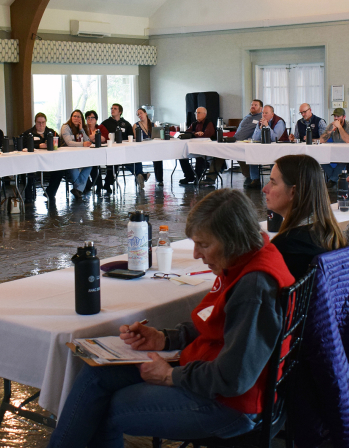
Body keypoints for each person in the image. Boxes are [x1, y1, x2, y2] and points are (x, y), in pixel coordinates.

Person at [47, 188, 295, 448]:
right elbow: (218, 322)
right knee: (95, 375)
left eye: (204, 244)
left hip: (232, 406)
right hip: (215, 374)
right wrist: (164, 339)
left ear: (232, 239)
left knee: (103, 408)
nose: (197, 255)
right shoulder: (246, 254)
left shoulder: (254, 287)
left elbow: (234, 379)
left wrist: (170, 376)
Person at [264, 154, 345, 279]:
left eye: (273, 183)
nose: (265, 189)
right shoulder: (330, 234)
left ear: (293, 192)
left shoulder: (286, 247)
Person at [20, 112, 62, 201]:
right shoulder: (28, 133)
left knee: (60, 170)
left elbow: (59, 143)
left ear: (46, 122)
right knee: (26, 171)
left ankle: (50, 193)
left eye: (43, 122)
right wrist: (39, 145)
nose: (41, 124)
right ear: (35, 123)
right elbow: (23, 144)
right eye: (39, 122)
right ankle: (29, 196)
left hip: (50, 161)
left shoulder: (52, 132)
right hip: (32, 162)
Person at [247, 106, 286, 188]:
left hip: (279, 149)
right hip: (264, 148)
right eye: (263, 113)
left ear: (272, 114)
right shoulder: (260, 122)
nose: (264, 115)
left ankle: (274, 180)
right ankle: (255, 180)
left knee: (273, 158)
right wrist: (260, 128)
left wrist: (267, 126)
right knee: (252, 153)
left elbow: (275, 138)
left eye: (266, 113)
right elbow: (255, 138)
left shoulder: (279, 121)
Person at [101, 103, 137, 193]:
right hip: (109, 150)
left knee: (128, 159)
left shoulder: (126, 124)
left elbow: (131, 137)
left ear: (120, 112)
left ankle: (107, 183)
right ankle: (108, 183)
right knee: (114, 161)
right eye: (112, 108)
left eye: (115, 108)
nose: (112, 110)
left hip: (123, 150)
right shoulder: (105, 123)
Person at [178, 107, 217, 185]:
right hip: (194, 147)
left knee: (200, 156)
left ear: (204, 114)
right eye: (196, 113)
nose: (196, 114)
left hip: (206, 148)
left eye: (199, 113)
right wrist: (195, 133)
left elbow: (206, 135)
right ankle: (189, 176)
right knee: (181, 155)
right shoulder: (194, 124)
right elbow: (186, 133)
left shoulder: (209, 123)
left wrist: (193, 134)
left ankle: (198, 177)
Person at [60, 110, 95, 198]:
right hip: (68, 156)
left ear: (81, 119)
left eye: (78, 116)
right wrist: (82, 144)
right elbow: (69, 142)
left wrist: (81, 129)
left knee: (91, 163)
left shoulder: (83, 127)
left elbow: (88, 141)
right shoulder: (65, 127)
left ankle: (77, 189)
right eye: (74, 116)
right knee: (73, 166)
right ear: (71, 117)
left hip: (81, 156)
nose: (76, 118)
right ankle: (79, 188)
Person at [320, 108, 349, 187]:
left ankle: (332, 181)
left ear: (344, 117)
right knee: (321, 159)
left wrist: (340, 127)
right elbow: (322, 140)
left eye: (338, 116)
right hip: (335, 152)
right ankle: (333, 180)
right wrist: (330, 131)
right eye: (335, 116)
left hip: (348, 153)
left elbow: (348, 140)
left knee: (343, 160)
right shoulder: (331, 125)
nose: (336, 118)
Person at [235, 99, 264, 187]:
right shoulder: (247, 117)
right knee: (224, 151)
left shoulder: (261, 118)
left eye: (255, 105)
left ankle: (251, 177)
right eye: (252, 105)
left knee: (245, 154)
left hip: (250, 143)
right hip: (237, 141)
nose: (253, 106)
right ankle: (212, 175)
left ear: (261, 108)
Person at [134, 107, 165, 187]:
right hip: (141, 148)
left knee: (158, 157)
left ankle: (159, 179)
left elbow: (156, 136)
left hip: (152, 147)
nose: (140, 115)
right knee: (137, 158)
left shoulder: (153, 124)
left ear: (145, 113)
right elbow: (136, 138)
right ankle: (141, 176)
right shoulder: (136, 125)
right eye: (138, 114)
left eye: (141, 113)